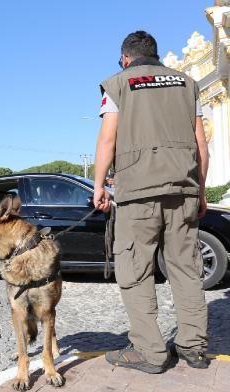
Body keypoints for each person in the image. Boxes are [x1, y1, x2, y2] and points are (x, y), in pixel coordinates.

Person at [94, 31, 210, 373]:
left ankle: (150, 351)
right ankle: (194, 347)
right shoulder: (188, 84)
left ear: (126, 58)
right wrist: (200, 191)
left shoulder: (118, 83)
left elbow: (107, 140)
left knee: (135, 270)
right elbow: (201, 145)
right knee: (187, 270)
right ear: (155, 56)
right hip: (183, 191)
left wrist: (99, 185)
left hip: (138, 195)